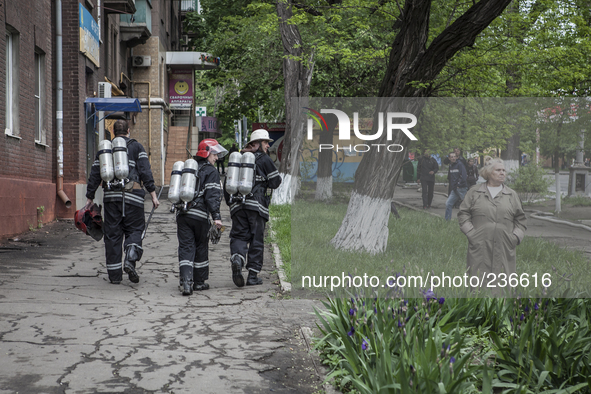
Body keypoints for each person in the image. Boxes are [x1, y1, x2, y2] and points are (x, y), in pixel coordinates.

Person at [86, 119, 160, 284]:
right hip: (133, 196)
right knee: (135, 230)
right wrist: (153, 194)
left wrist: (89, 197)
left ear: (113, 132)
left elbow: (95, 174)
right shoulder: (137, 147)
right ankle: (130, 259)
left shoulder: (105, 150)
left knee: (112, 235)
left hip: (112, 198)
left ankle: (114, 277)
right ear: (128, 131)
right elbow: (145, 171)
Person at [458, 158, 527, 290]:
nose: (502, 173)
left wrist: (515, 238)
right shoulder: (475, 192)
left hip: (504, 245)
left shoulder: (511, 195)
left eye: (504, 171)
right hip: (479, 245)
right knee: (478, 283)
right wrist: (472, 234)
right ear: (489, 173)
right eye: (498, 170)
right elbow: (463, 214)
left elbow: (521, 219)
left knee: (503, 284)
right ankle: (478, 309)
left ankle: (502, 309)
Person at [224, 129, 282, 287]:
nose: (268, 146)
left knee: (238, 236)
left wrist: (232, 204)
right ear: (256, 144)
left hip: (237, 205)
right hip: (256, 206)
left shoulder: (238, 159)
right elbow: (276, 182)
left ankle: (237, 258)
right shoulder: (264, 159)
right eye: (265, 142)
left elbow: (227, 185)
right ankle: (252, 276)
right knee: (257, 239)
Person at [175, 139, 226, 295]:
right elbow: (212, 196)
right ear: (208, 153)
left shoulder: (189, 168)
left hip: (183, 214)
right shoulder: (211, 171)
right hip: (199, 216)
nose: (217, 158)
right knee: (201, 247)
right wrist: (216, 217)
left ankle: (186, 282)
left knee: (185, 247)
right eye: (215, 154)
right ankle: (199, 282)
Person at [444, 152, 467, 221]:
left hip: (461, 188)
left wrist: (459, 185)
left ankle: (472, 220)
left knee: (467, 205)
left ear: (456, 157)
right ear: (449, 158)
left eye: (454, 156)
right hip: (454, 189)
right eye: (452, 157)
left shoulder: (460, 165)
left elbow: (464, 176)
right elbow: (451, 177)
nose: (453, 158)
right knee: (448, 203)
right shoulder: (451, 166)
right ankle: (447, 220)